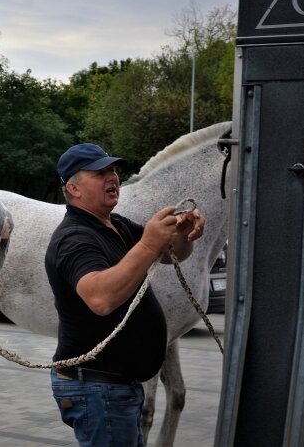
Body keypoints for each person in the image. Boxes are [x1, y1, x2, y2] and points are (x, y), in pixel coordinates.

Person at [44, 142, 205, 447]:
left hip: (112, 388)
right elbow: (100, 298)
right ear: (75, 189)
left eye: (114, 170)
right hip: (96, 388)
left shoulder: (115, 224)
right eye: (100, 172)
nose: (113, 177)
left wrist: (183, 235)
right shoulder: (74, 238)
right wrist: (147, 245)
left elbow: (172, 255)